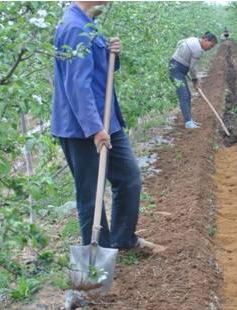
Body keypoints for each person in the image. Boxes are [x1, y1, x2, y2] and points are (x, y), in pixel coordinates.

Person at [51, 2, 159, 252]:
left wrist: (113, 53)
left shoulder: (88, 24)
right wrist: (94, 129)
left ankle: (123, 240)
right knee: (91, 194)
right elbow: (77, 86)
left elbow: (101, 70)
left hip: (106, 121)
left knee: (129, 178)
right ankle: (98, 254)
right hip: (82, 128)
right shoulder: (74, 27)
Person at [169, 32, 218, 129]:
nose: (210, 48)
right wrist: (195, 80)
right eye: (211, 45)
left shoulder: (193, 39)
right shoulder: (198, 50)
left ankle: (189, 119)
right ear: (205, 40)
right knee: (184, 96)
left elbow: (179, 43)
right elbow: (192, 67)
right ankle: (188, 122)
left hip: (177, 68)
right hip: (176, 70)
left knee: (187, 95)